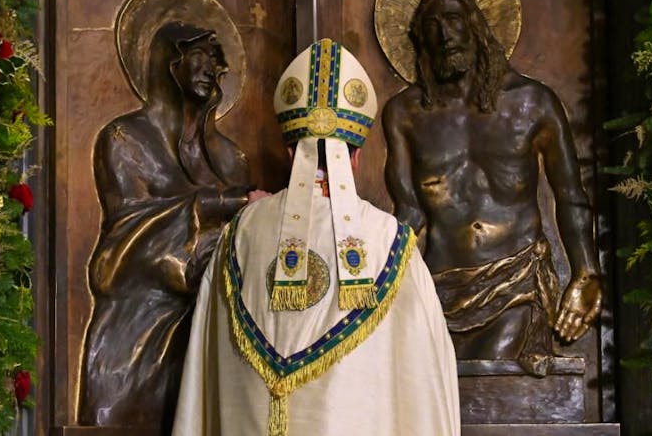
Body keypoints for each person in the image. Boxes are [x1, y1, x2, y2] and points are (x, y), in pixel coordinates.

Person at [173, 39, 460, 436]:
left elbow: (205, 367)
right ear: (356, 158)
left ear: (291, 153)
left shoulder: (240, 233)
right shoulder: (390, 241)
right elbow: (425, 378)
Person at [383, 0, 602, 376]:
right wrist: (377, 285)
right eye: (432, 26)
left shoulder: (533, 102)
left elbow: (570, 197)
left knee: (494, 379)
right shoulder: (406, 112)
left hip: (516, 280)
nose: (444, 36)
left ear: (477, 30)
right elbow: (409, 212)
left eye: (453, 21)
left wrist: (586, 273)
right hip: (438, 285)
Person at [79, 22, 257, 430]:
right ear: (166, 61)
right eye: (198, 54)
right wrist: (227, 202)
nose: (211, 67)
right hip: (139, 326)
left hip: (212, 327)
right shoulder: (125, 138)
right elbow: (129, 232)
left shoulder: (231, 158)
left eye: (216, 57)